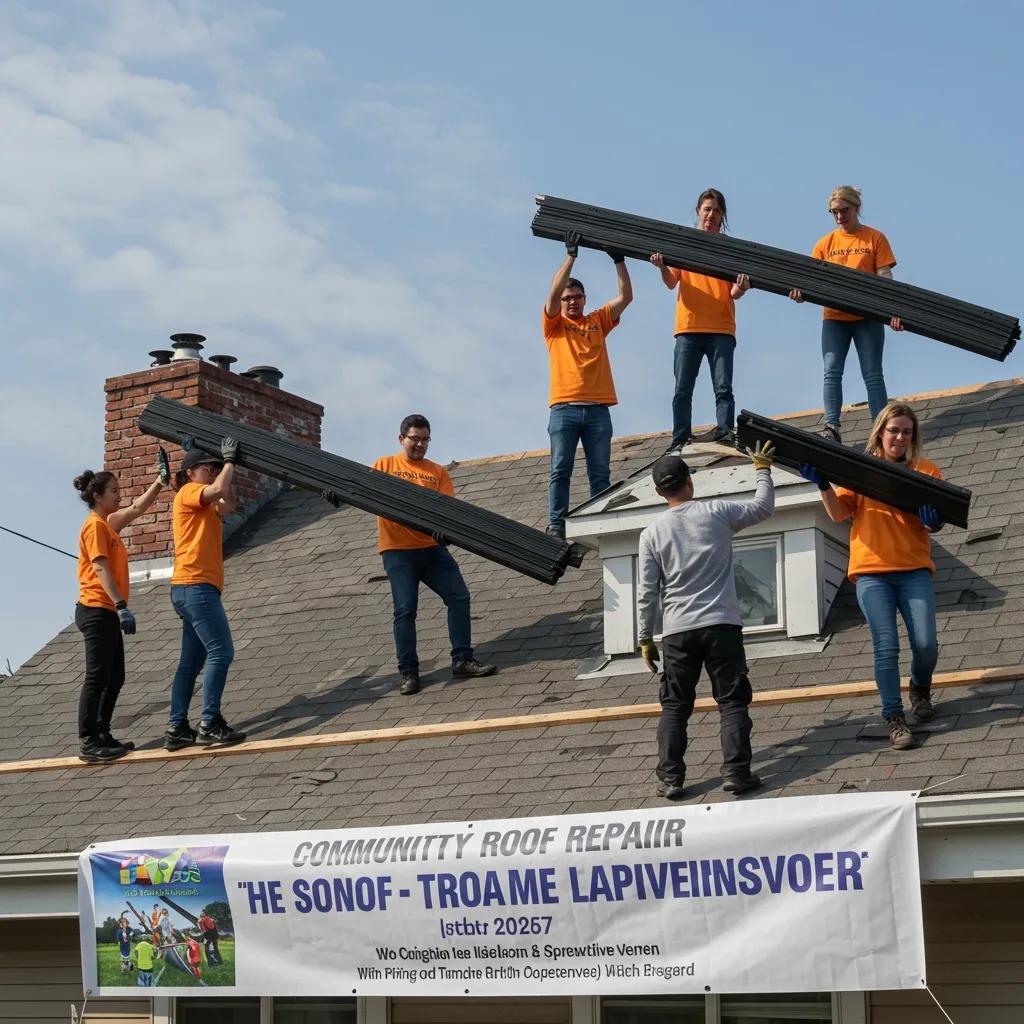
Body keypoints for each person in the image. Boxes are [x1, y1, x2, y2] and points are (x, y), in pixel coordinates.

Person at [636, 441, 777, 800]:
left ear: (657, 492)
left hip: (678, 632)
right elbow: (762, 507)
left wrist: (644, 637)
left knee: (675, 705)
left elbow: (648, 591)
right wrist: (761, 470)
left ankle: (671, 778)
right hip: (721, 624)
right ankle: (736, 774)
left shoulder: (651, 533)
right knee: (731, 701)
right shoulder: (716, 512)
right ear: (690, 481)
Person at [800, 401, 942, 750]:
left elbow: (935, 520)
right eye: (894, 430)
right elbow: (837, 515)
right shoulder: (860, 470)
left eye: (906, 432)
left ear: (913, 436)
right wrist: (823, 486)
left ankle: (920, 688)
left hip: (913, 569)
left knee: (926, 644)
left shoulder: (925, 470)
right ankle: (894, 718)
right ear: (880, 431)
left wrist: (933, 519)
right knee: (886, 646)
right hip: (872, 573)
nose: (899, 437)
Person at [366, 415, 495, 695]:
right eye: (415, 439)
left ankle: (462, 659)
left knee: (459, 597)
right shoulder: (384, 465)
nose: (420, 444)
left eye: (425, 439)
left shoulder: (437, 472)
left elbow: (447, 512)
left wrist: (443, 531)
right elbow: (365, 494)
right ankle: (409, 673)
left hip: (432, 549)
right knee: (405, 610)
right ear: (401, 439)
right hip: (398, 551)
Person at [789, 185, 904, 444]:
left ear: (856, 208)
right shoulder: (824, 244)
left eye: (844, 210)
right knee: (831, 370)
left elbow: (885, 277)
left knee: (873, 373)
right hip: (835, 318)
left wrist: (894, 310)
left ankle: (880, 429)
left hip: (868, 317)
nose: (839, 216)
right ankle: (832, 426)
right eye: (834, 212)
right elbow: (810, 280)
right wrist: (800, 292)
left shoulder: (874, 238)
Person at [73, 453, 168, 762]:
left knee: (116, 677)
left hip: (108, 611)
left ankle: (102, 732)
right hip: (97, 608)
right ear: (98, 496)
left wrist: (160, 481)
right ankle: (89, 740)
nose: (120, 494)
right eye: (113, 490)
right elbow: (100, 568)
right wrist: (121, 604)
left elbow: (138, 508)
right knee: (97, 676)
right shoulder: (95, 527)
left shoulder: (108, 524)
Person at [542, 230, 633, 539]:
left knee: (600, 474)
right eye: (567, 299)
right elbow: (553, 294)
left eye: (576, 297)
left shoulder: (597, 320)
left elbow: (626, 297)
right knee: (560, 469)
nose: (571, 302)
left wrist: (618, 259)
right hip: (564, 408)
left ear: (584, 299)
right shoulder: (555, 326)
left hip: (596, 409)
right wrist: (571, 255)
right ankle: (556, 524)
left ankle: (600, 520)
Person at [651, 188, 752, 449]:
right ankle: (680, 437)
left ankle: (725, 431)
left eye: (717, 210)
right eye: (707, 209)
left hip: (721, 326)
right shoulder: (684, 243)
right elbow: (672, 283)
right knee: (682, 389)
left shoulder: (730, 248)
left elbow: (734, 292)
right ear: (698, 211)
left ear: (722, 216)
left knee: (723, 387)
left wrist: (742, 286)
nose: (711, 214)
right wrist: (662, 266)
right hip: (689, 326)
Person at [165, 440, 247, 751]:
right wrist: (228, 463)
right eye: (206, 468)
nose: (211, 472)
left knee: (191, 661)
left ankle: (177, 727)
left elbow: (228, 503)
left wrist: (228, 468)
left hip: (191, 587)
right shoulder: (187, 492)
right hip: (195, 586)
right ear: (189, 472)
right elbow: (215, 492)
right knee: (221, 652)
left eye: (214, 468)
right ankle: (209, 723)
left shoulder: (206, 503)